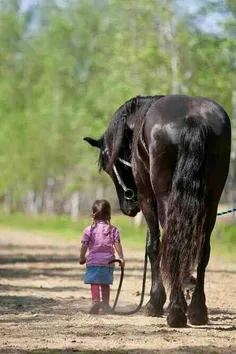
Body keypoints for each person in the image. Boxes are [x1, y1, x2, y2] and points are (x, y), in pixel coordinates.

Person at [79, 199, 125, 314]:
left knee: (94, 281)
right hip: (108, 262)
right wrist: (121, 257)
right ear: (109, 214)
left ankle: (95, 301)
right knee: (105, 283)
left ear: (93, 214)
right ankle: (105, 304)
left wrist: (82, 257)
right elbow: (117, 244)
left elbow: (84, 246)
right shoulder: (113, 230)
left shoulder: (88, 230)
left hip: (93, 261)